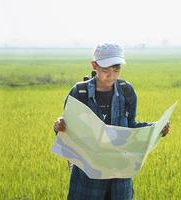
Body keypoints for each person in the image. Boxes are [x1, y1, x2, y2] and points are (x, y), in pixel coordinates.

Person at [53, 42, 170, 200]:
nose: (112, 75)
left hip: (119, 177)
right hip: (88, 178)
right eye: (106, 70)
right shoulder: (79, 92)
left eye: (116, 69)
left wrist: (156, 128)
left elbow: (131, 127)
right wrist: (59, 125)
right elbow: (67, 130)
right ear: (94, 65)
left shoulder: (126, 91)